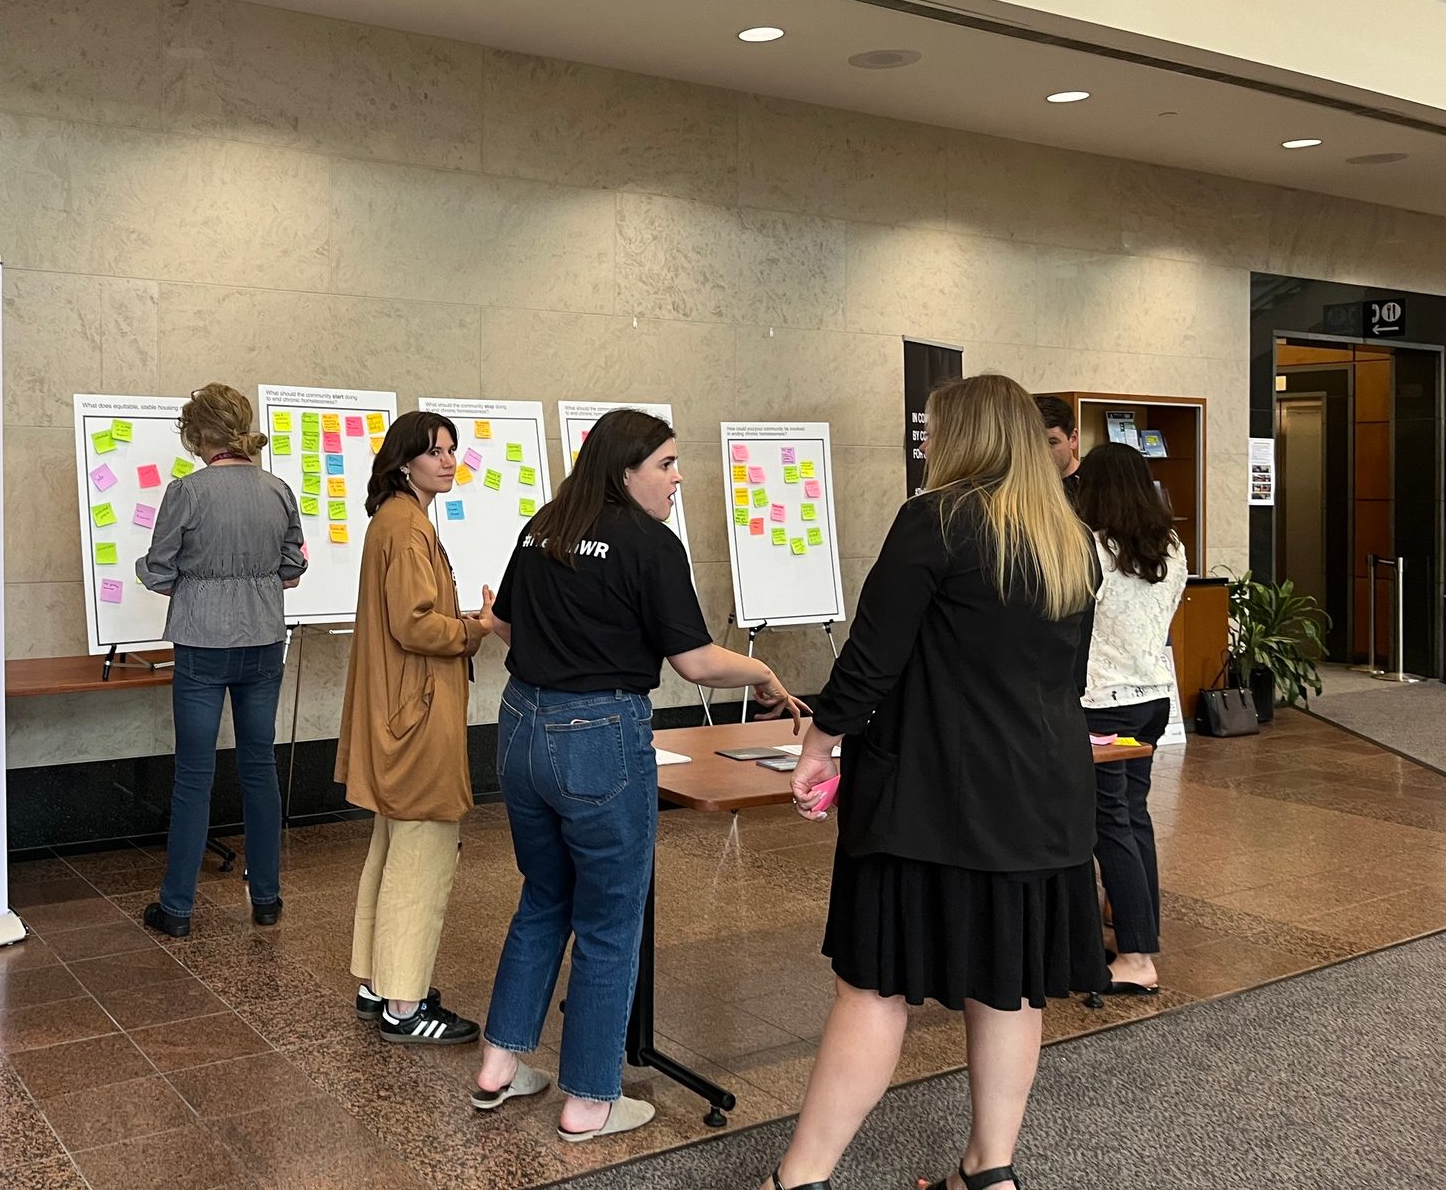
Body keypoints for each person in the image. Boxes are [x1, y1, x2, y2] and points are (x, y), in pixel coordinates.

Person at [760, 374, 1104, 1190]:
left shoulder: (937, 520)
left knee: (876, 989)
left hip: (932, 797)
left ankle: (800, 1181)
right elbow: (1066, 673)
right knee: (1011, 985)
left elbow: (871, 663)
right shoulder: (1070, 539)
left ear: (962, 436)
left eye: (933, 431)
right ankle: (991, 1171)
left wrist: (818, 746)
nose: (926, 444)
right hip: (1044, 794)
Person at [471, 409, 807, 1142]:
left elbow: (508, 629)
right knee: (609, 916)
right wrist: (767, 670)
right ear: (625, 470)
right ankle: (591, 1098)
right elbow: (695, 661)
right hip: (598, 736)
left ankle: (499, 1065)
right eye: (666, 464)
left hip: (521, 729)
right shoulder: (650, 545)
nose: (678, 478)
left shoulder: (544, 526)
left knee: (543, 897)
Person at [337, 410, 488, 1044]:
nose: (448, 462)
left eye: (453, 450)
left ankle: (377, 982)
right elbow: (417, 625)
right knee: (423, 854)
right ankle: (406, 1005)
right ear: (405, 462)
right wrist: (479, 626)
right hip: (418, 717)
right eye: (435, 452)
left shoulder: (395, 520)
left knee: (392, 845)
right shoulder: (408, 528)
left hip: (397, 712)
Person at [136, 383, 305, 939]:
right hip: (263, 639)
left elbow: (159, 571)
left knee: (194, 774)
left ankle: (177, 909)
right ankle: (268, 899)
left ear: (196, 434)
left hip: (201, 643)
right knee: (259, 767)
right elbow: (291, 567)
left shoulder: (186, 492)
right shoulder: (278, 489)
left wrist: (180, 577)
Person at [1076, 442, 1187, 997]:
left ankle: (1138, 957)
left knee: (1109, 823)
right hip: (1153, 698)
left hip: (1101, 700)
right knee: (1132, 818)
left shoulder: (1090, 548)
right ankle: (1136, 938)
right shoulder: (1170, 546)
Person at [1035, 394, 1081, 496]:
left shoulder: (1090, 489)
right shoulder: (1027, 486)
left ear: (1073, 439)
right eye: (1036, 444)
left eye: (1052, 443)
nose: (1044, 452)